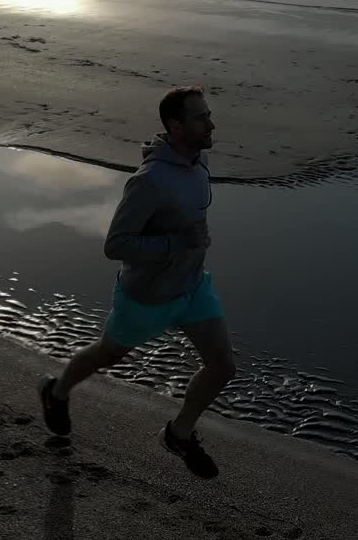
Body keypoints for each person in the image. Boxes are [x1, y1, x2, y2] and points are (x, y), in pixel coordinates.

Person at [38, 86, 235, 479]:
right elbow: (116, 245)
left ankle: (178, 434)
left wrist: (188, 250)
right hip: (147, 296)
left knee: (222, 365)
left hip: (193, 287)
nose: (211, 123)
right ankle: (55, 392)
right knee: (107, 354)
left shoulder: (200, 162)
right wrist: (177, 243)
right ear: (175, 125)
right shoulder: (149, 180)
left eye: (209, 115)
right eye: (201, 117)